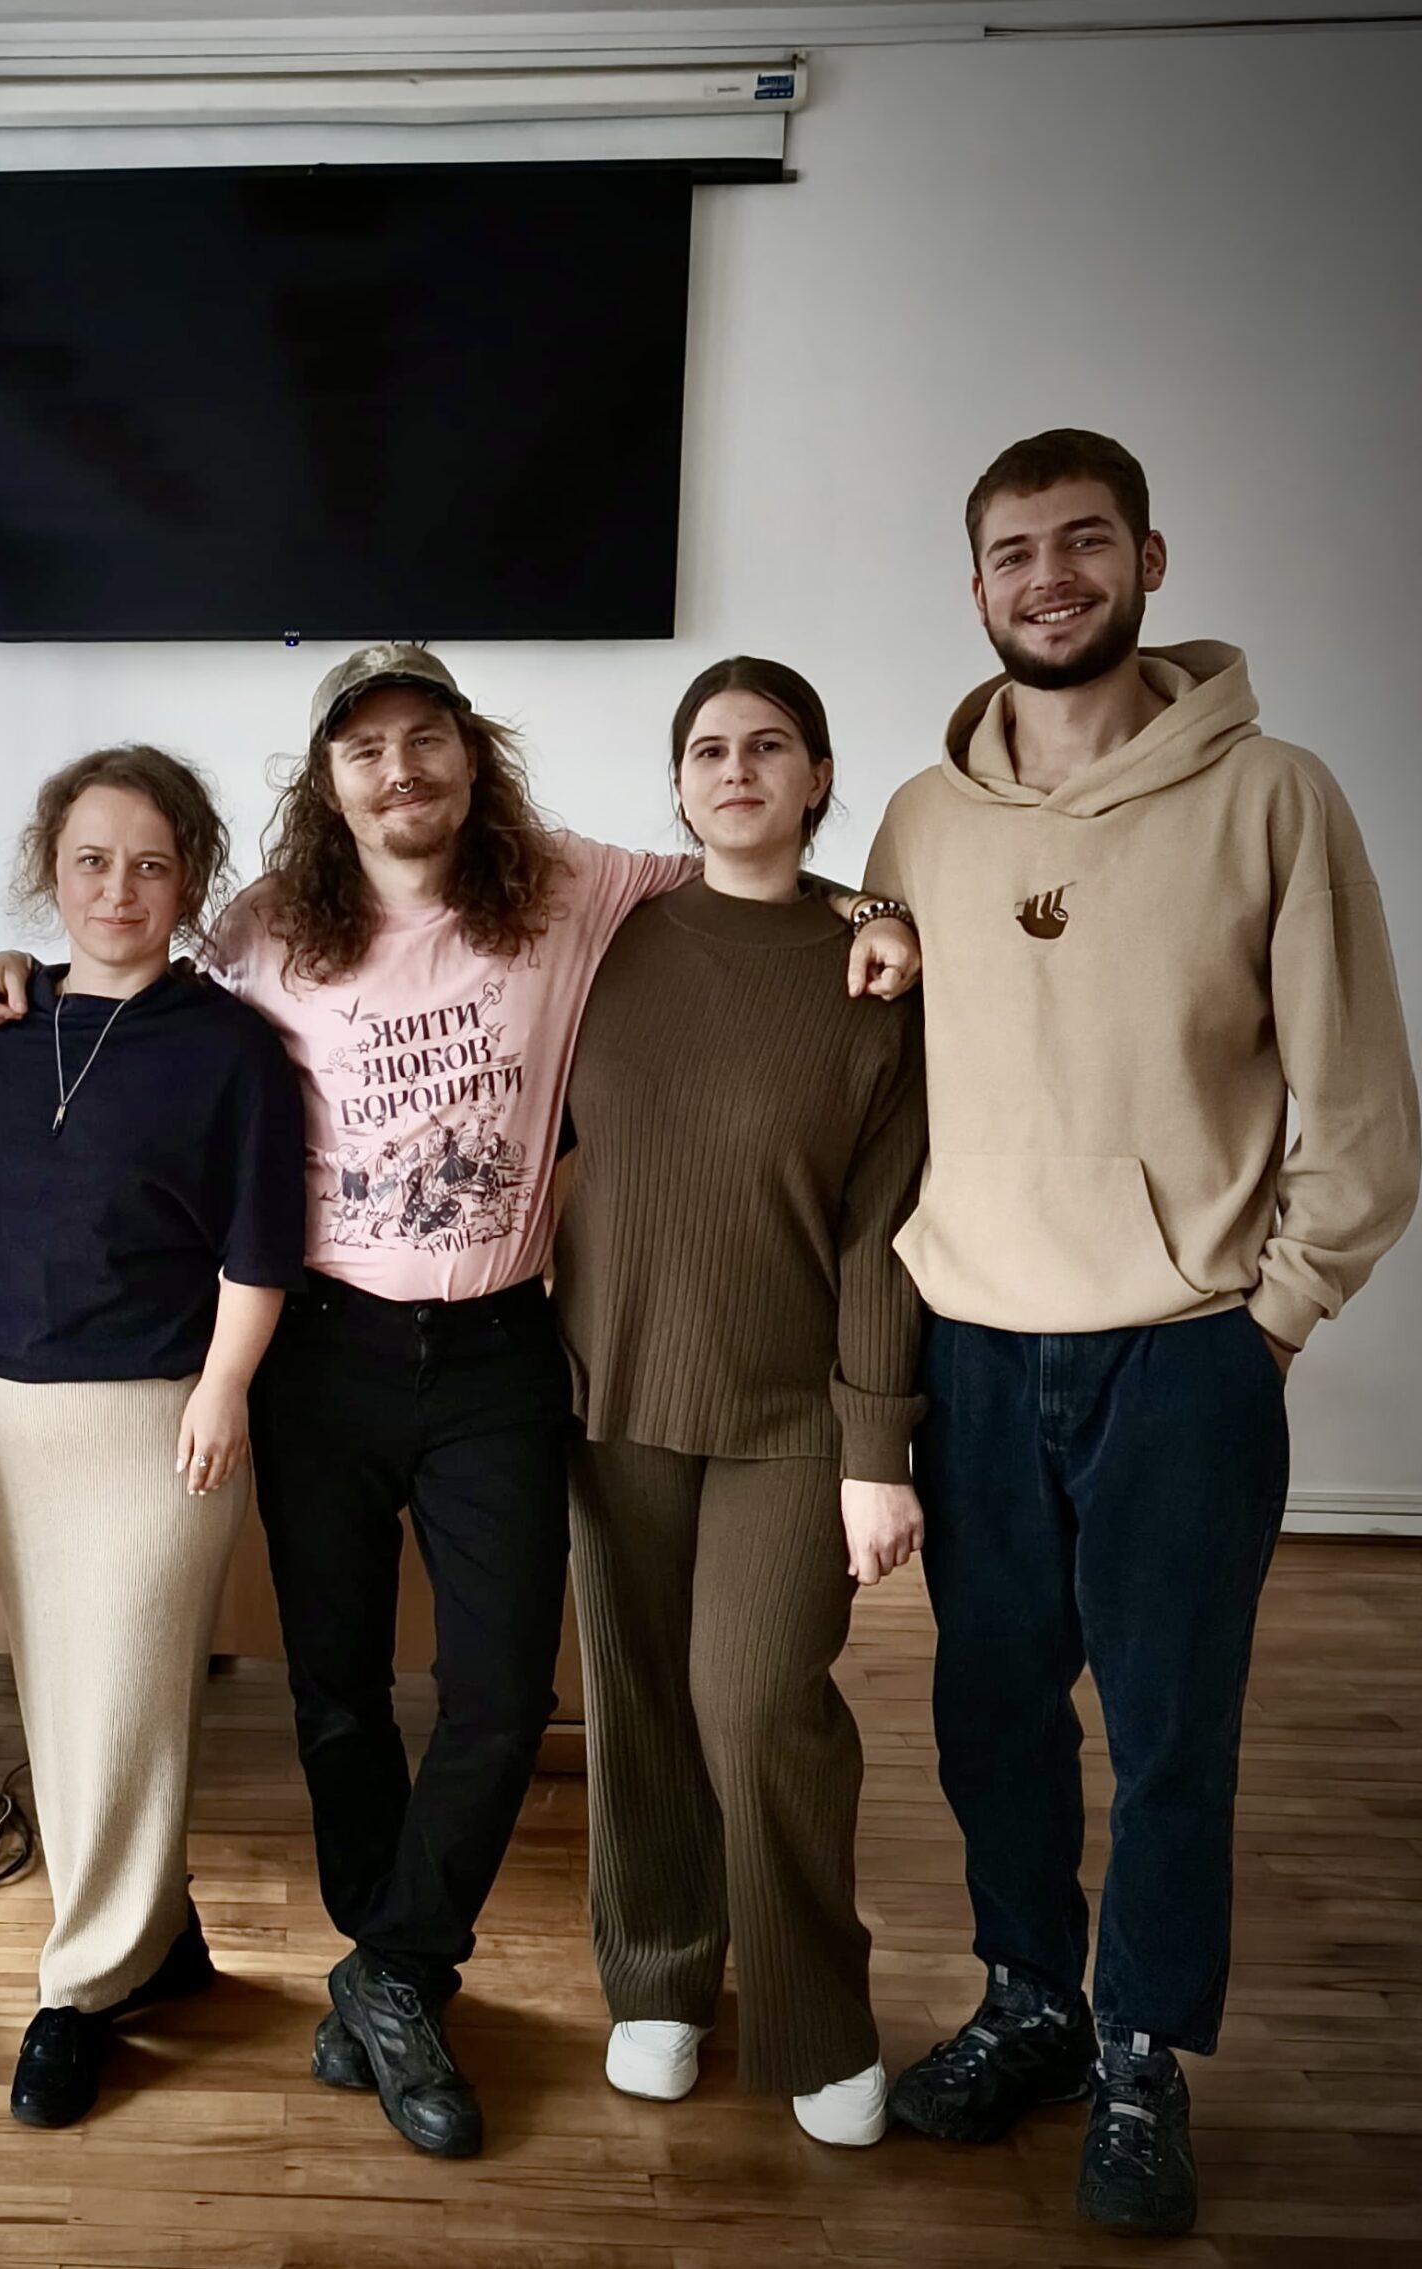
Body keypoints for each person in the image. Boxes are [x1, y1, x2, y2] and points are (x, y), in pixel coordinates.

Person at [0, 643, 918, 2156]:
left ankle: (399, 1969)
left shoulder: (572, 885)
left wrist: (880, 910)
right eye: (366, 750)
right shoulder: (265, 925)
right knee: (337, 1691)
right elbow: (131, 979)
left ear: (472, 757)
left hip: (497, 1354)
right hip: (322, 1354)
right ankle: (388, 1960)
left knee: (500, 1695)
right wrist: (8, 972)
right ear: (328, 783)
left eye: (426, 739)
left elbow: (751, 870)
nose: (399, 770)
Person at [869, 430, 1419, 2236]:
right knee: (991, 1713)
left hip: (1183, 1351)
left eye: (1085, 540)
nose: (1052, 577)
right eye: (1016, 551)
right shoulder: (921, 818)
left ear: (1150, 561)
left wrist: (1272, 1321)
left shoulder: (1276, 796)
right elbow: (878, 1072)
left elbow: (1361, 1106)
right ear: (975, 587)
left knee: (1175, 1729)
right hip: (969, 1340)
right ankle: (1031, 1999)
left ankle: (1139, 2052)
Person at [553, 657, 925, 2151]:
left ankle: (816, 2013)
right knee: (637, 1698)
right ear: (678, 783)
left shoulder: (875, 972)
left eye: (770, 746)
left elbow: (883, 1228)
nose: (737, 769)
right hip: (614, 1389)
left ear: (818, 776)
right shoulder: (611, 936)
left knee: (759, 1704)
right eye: (708, 749)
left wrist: (877, 1444)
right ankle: (658, 1977)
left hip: (792, 1414)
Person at [0, 746, 304, 2127]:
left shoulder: (231, 1049)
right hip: (14, 1410)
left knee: (124, 1695)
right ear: (51, 868)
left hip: (164, 1415)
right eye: (92, 860)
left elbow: (260, 1245)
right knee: (65, 1693)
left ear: (190, 882)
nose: (118, 888)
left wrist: (224, 1387)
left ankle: (81, 1987)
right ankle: (163, 1931)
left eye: (151, 864)